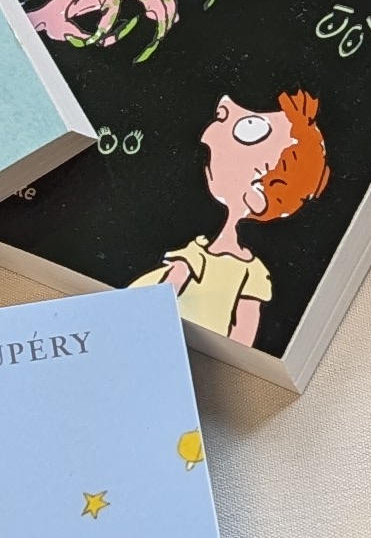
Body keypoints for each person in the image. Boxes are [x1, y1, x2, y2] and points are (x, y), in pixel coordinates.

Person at [137, 90, 330, 349]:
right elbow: (154, 299)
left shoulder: (251, 273)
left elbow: (243, 334)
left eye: (250, 127)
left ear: (257, 195)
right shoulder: (195, 251)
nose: (209, 133)